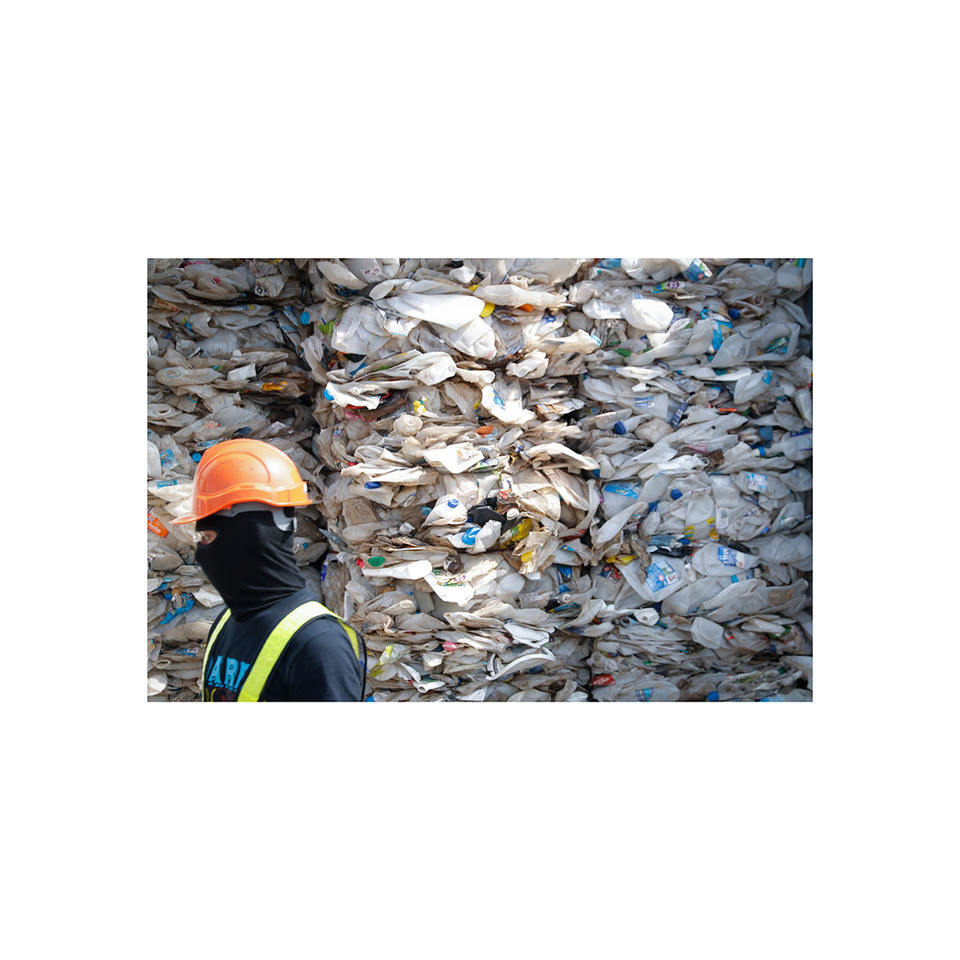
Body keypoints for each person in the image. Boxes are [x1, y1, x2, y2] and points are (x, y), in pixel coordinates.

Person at [171, 439, 365, 701]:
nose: (201, 554)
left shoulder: (319, 643)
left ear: (249, 538)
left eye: (207, 538)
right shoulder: (226, 623)